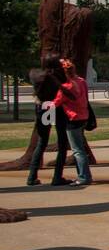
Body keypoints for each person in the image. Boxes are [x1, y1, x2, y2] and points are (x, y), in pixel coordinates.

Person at [26, 56, 70, 186]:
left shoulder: (35, 75)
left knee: (42, 142)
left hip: (43, 108)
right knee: (62, 143)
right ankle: (57, 177)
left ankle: (32, 176)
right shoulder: (56, 77)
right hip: (56, 108)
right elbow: (64, 90)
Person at [52, 58, 93, 185]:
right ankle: (85, 175)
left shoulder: (66, 87)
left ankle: (84, 177)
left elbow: (56, 103)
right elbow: (85, 97)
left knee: (77, 150)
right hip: (83, 116)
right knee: (80, 147)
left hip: (73, 119)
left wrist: (43, 104)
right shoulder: (81, 82)